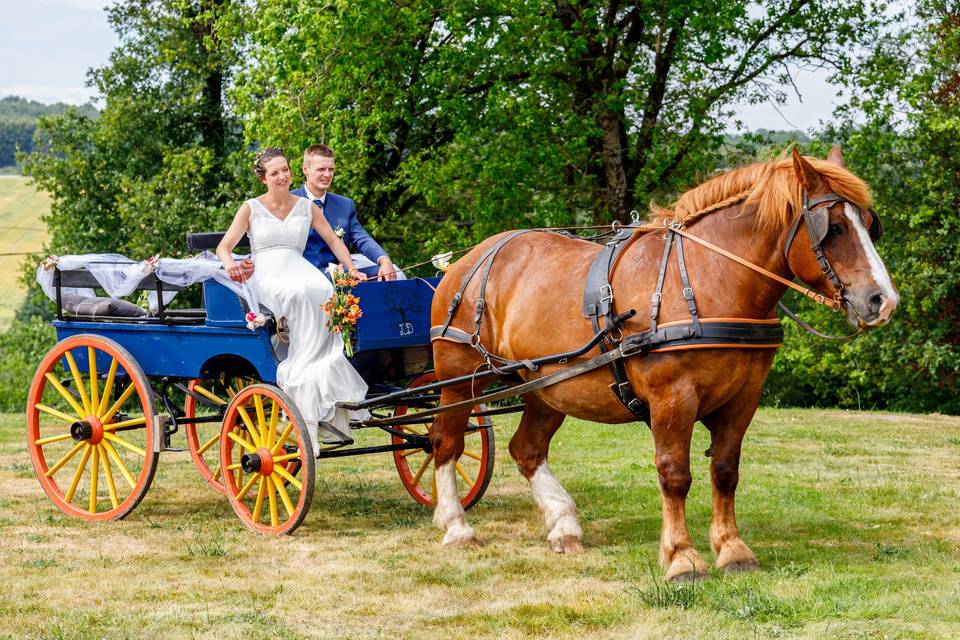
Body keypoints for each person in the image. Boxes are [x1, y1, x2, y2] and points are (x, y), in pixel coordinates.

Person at [216, 147, 369, 451]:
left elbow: (333, 240)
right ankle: (297, 370)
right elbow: (224, 247)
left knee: (325, 291)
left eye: (285, 170)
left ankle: (315, 369)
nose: (282, 176)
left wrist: (352, 268)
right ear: (264, 178)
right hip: (267, 272)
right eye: (275, 173)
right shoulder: (251, 208)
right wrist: (231, 264)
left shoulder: (306, 207)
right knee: (298, 293)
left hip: (298, 266)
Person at [291, 144, 398, 280]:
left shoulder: (345, 205)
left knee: (384, 274)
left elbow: (361, 238)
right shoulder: (290, 202)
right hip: (304, 275)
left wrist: (384, 260)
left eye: (331, 169)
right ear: (305, 169)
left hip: (342, 271)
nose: (327, 174)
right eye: (321, 169)